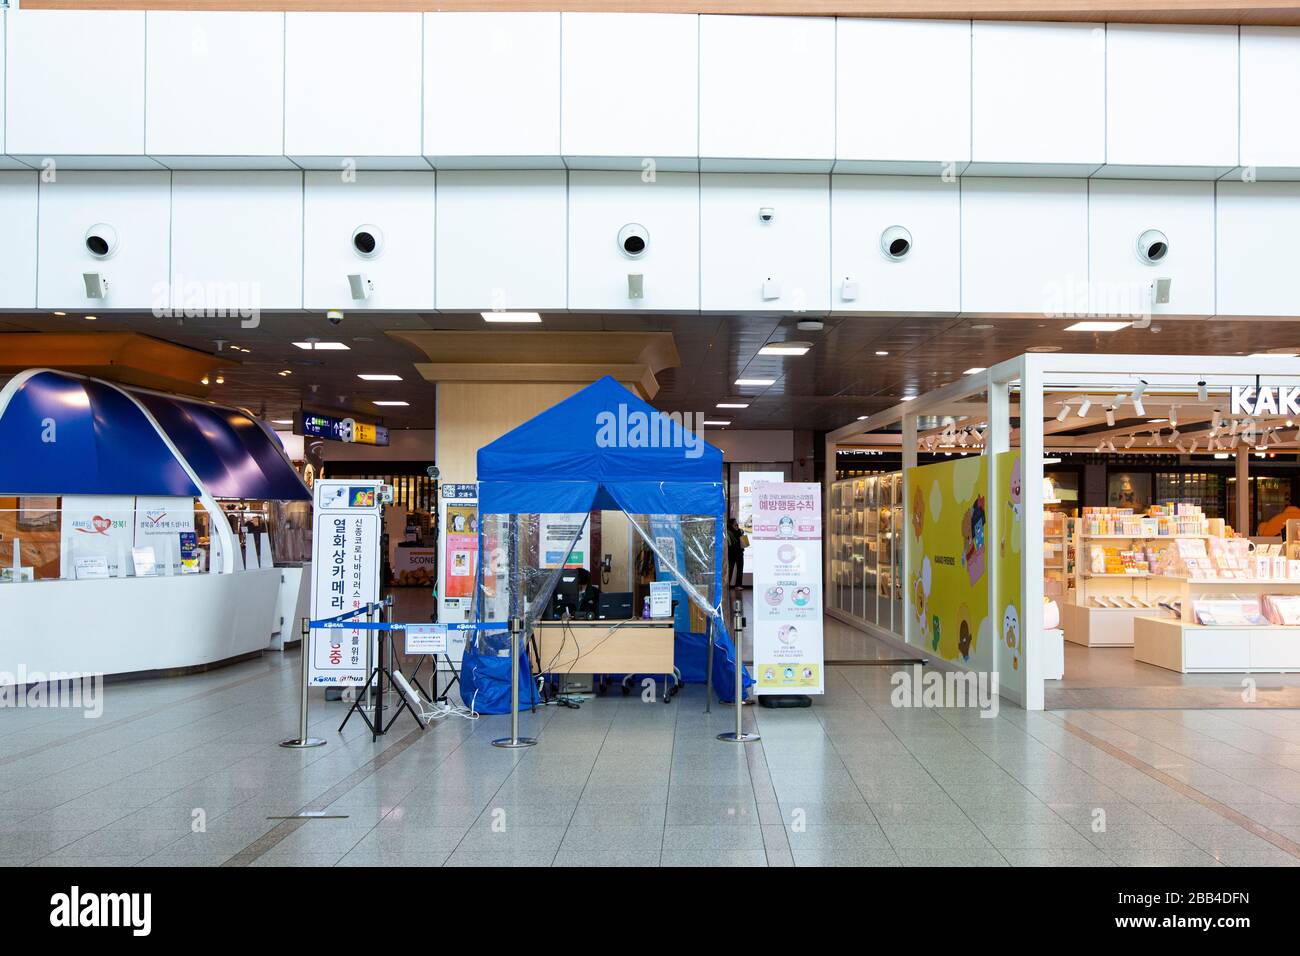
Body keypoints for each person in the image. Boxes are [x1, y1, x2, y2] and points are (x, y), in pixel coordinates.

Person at [727, 516, 745, 588]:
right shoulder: (728, 532)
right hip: (731, 554)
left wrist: (741, 533)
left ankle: (738, 585)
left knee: (740, 569)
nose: (736, 524)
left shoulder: (740, 531)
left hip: (740, 553)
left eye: (736, 523)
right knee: (730, 570)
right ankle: (727, 585)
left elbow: (744, 543)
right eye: (735, 523)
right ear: (731, 524)